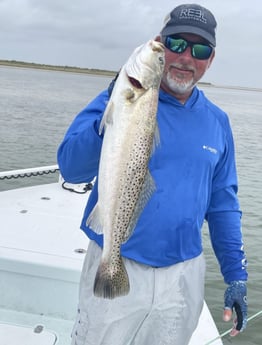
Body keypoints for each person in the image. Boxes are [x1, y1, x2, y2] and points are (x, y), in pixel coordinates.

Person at [57, 4, 248, 345]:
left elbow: (223, 206)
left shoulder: (217, 122)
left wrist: (235, 275)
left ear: (211, 59)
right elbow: (71, 166)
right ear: (159, 43)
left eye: (199, 49)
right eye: (175, 45)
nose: (186, 58)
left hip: (183, 276)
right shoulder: (118, 97)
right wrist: (112, 113)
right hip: (118, 259)